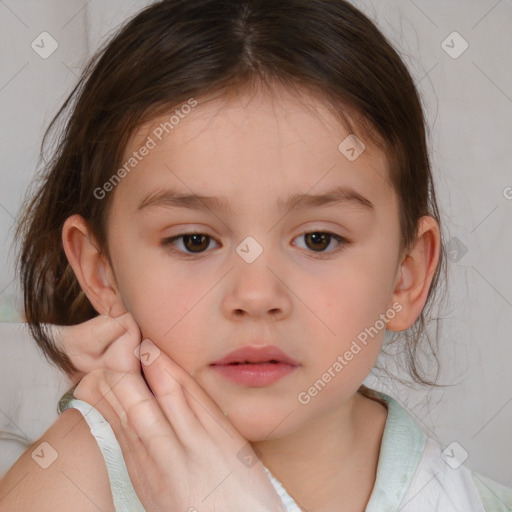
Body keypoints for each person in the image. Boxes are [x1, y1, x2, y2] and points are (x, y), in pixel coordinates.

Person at [1, 0, 511, 510]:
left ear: (407, 276)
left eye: (318, 239)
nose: (257, 296)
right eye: (194, 241)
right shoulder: (64, 489)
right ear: (100, 271)